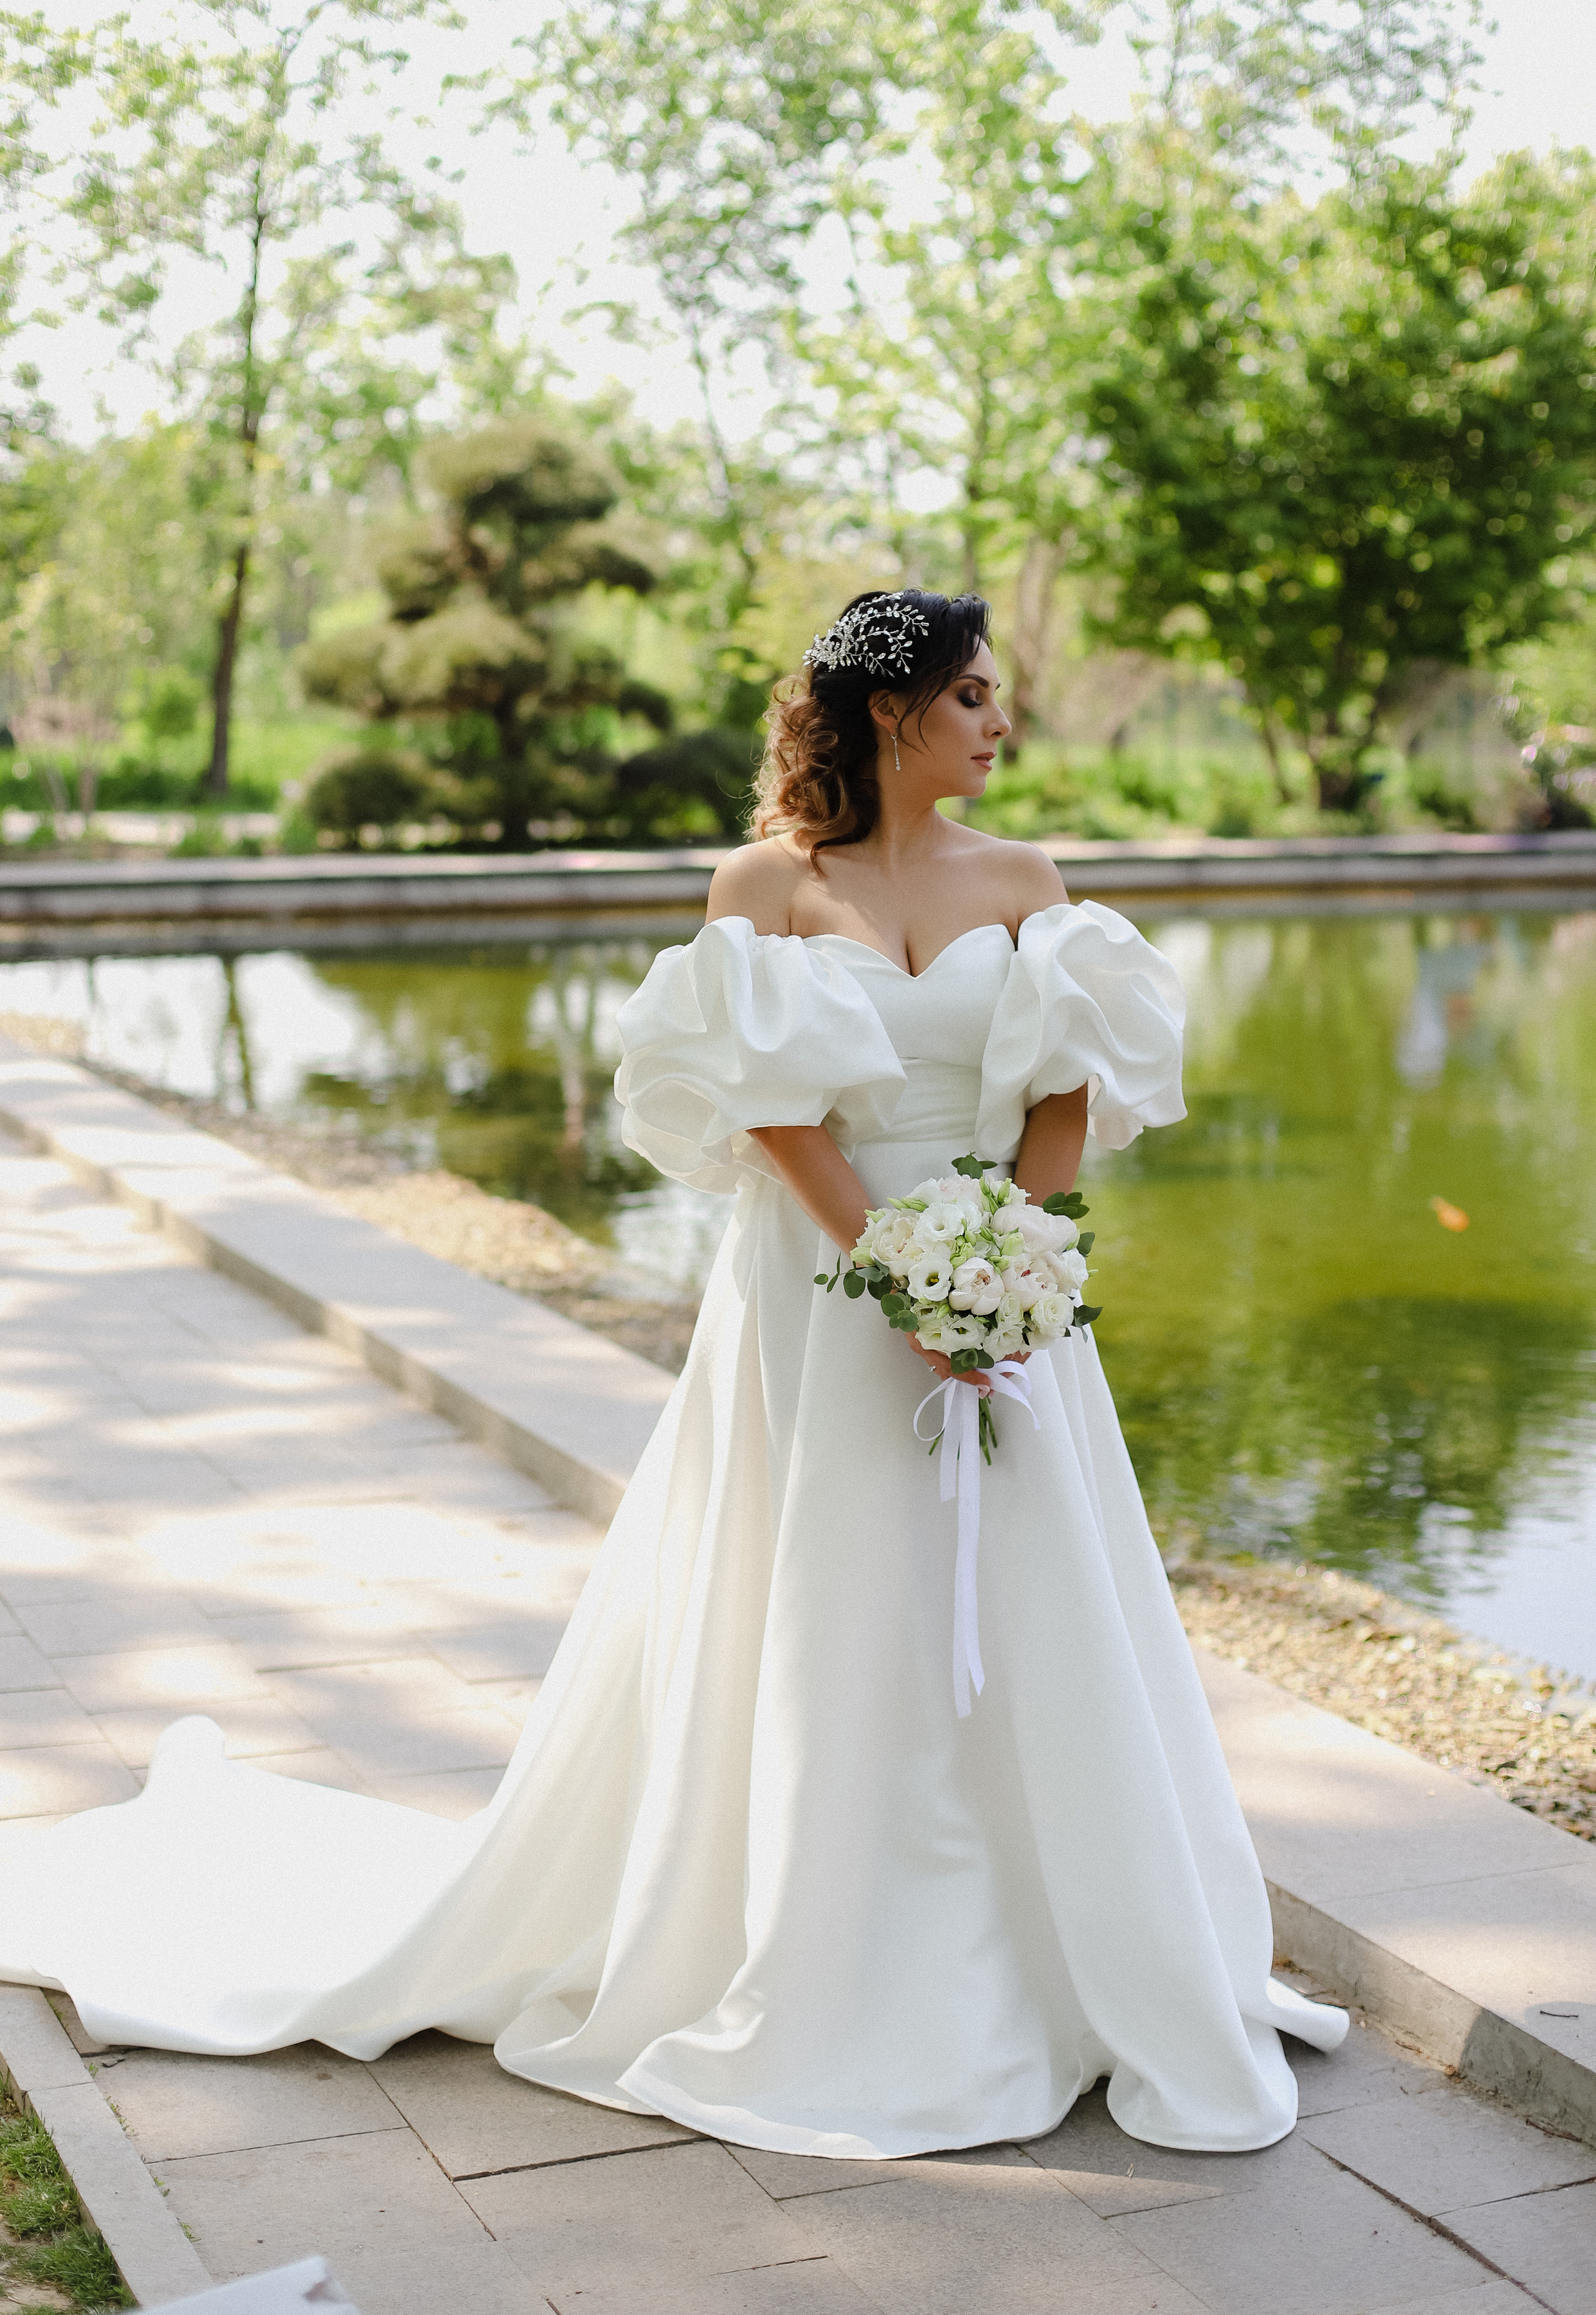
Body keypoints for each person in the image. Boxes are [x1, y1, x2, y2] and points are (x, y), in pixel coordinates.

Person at [0, 588, 1345, 2159]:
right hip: (816, 1284)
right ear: (892, 713)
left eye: (997, 696)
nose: (1001, 722)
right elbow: (772, 1111)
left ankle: (1068, 1960)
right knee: (834, 1594)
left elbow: (1064, 1086)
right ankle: (828, 1960)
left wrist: (1005, 1264)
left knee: (1032, 1595)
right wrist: (893, 1273)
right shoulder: (763, 884)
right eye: (973, 696)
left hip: (998, 1287)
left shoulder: (1029, 881)